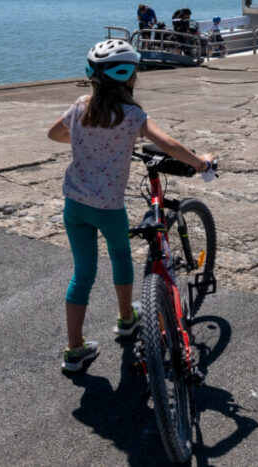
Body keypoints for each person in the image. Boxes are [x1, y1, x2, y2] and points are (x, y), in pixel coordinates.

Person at [48, 39, 214, 372]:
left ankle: (74, 349)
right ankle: (126, 319)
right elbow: (168, 143)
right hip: (108, 207)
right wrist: (200, 162)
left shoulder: (81, 106)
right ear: (128, 76)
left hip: (75, 204)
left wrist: (84, 137)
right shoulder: (131, 115)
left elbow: (55, 134)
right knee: (121, 258)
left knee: (82, 274)